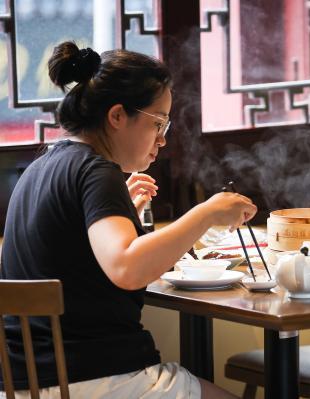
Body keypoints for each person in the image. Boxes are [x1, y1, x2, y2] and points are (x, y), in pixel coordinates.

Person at [0, 42, 255, 398]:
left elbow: (74, 257)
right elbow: (126, 267)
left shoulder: (43, 166)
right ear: (117, 116)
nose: (163, 140)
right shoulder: (96, 170)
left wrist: (124, 214)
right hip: (93, 379)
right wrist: (207, 212)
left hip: (27, 381)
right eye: (158, 122)